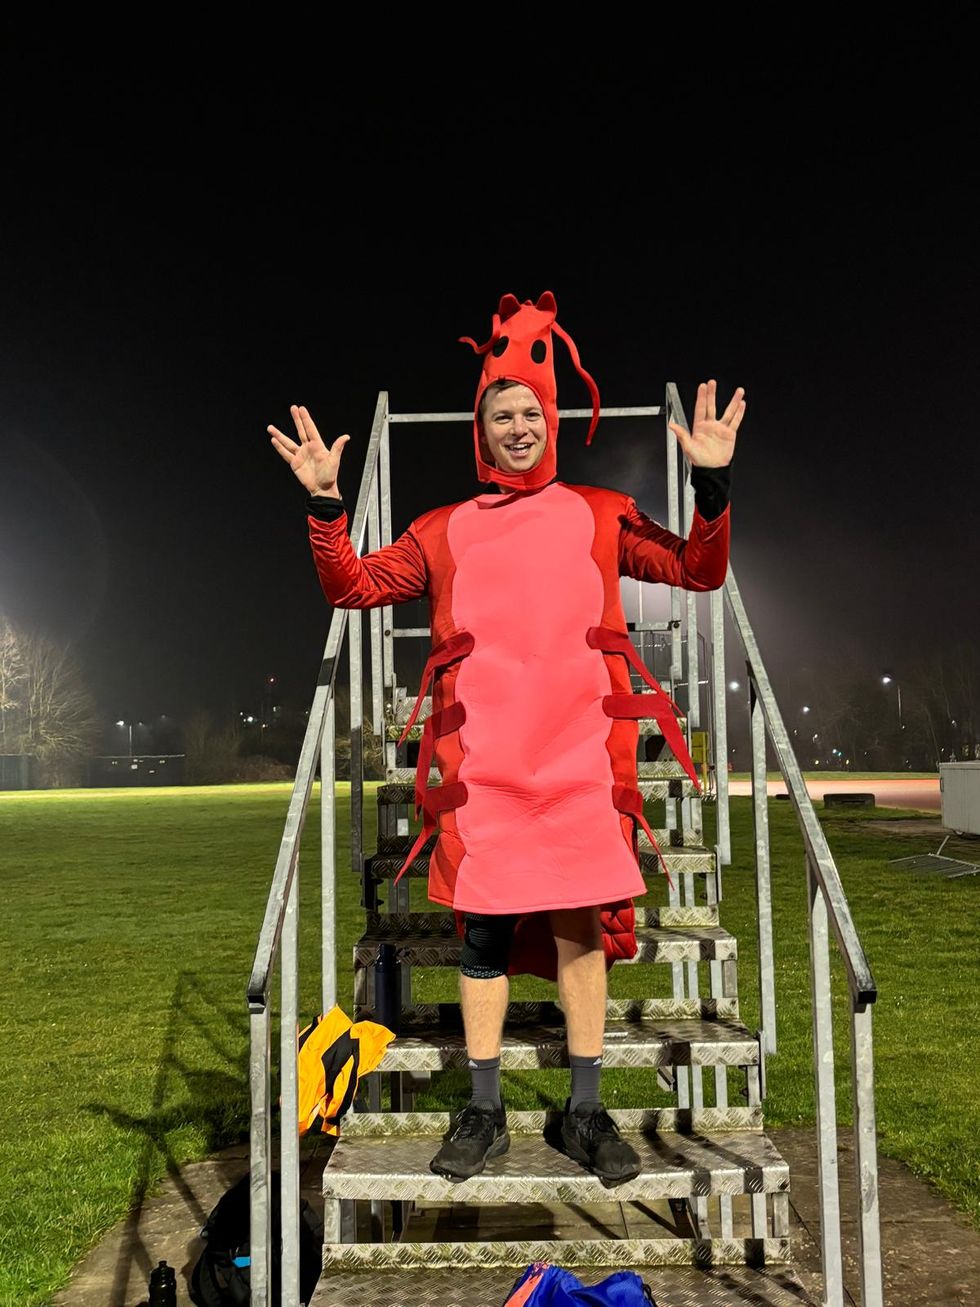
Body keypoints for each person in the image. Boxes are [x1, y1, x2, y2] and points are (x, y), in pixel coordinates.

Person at [269, 291, 744, 1188]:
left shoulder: (601, 511)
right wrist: (327, 504)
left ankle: (586, 1108)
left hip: (579, 766)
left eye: (530, 412)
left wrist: (713, 485)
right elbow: (352, 586)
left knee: (580, 933)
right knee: (482, 939)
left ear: (550, 418)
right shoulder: (441, 529)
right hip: (484, 773)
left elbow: (697, 568)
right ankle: (484, 1110)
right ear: (480, 430)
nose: (518, 427)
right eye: (501, 415)